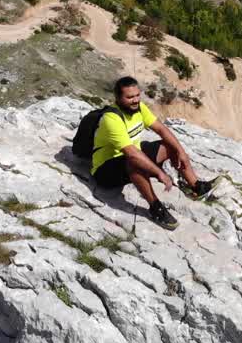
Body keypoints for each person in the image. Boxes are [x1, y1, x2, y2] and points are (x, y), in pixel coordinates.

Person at [91, 76, 213, 229]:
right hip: (105, 170)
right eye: (129, 97)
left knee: (169, 146)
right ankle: (156, 208)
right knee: (134, 162)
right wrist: (159, 173)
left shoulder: (139, 108)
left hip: (132, 155)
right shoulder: (112, 118)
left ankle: (195, 186)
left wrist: (181, 151)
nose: (135, 100)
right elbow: (131, 154)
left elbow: (161, 129)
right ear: (118, 98)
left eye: (137, 95)